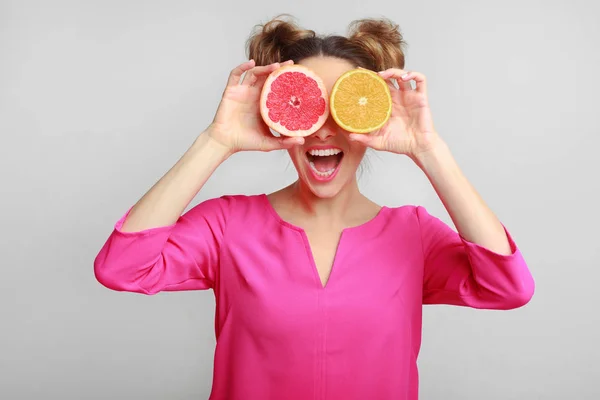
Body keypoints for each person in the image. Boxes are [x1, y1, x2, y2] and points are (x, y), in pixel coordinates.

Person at [94, 15, 535, 400]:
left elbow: (508, 287)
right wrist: (216, 141)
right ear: (277, 114)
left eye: (342, 108)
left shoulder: (413, 234)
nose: (323, 130)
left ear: (371, 116)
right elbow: (122, 267)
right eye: (305, 105)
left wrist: (428, 148)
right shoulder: (227, 225)